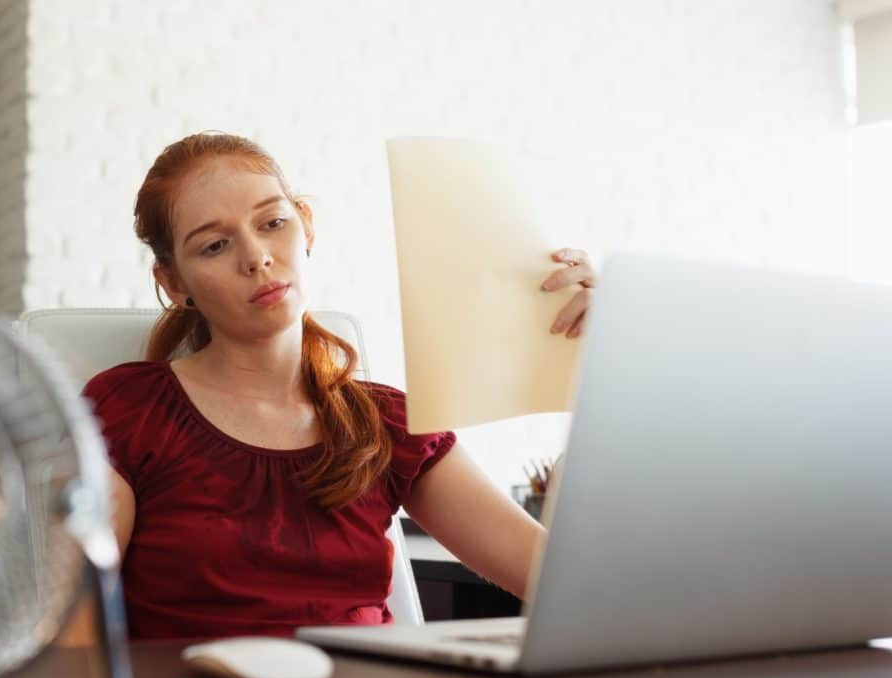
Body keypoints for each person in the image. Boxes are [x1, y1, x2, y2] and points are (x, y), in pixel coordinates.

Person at [67, 132, 597, 643]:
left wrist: (613, 346)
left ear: (308, 228)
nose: (257, 257)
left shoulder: (387, 422)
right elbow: (71, 637)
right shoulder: (128, 412)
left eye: (273, 222)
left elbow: (567, 585)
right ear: (173, 282)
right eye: (214, 245)